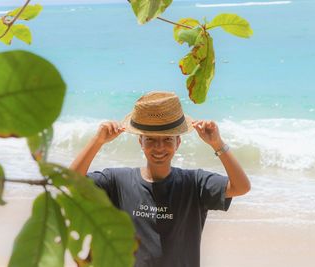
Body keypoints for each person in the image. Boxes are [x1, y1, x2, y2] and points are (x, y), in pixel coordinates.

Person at [70, 91, 251, 267]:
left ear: (178, 142)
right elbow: (70, 183)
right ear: (140, 141)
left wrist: (217, 143)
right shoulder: (116, 181)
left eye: (167, 140)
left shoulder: (195, 183)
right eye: (150, 139)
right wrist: (97, 140)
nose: (159, 147)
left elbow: (241, 187)